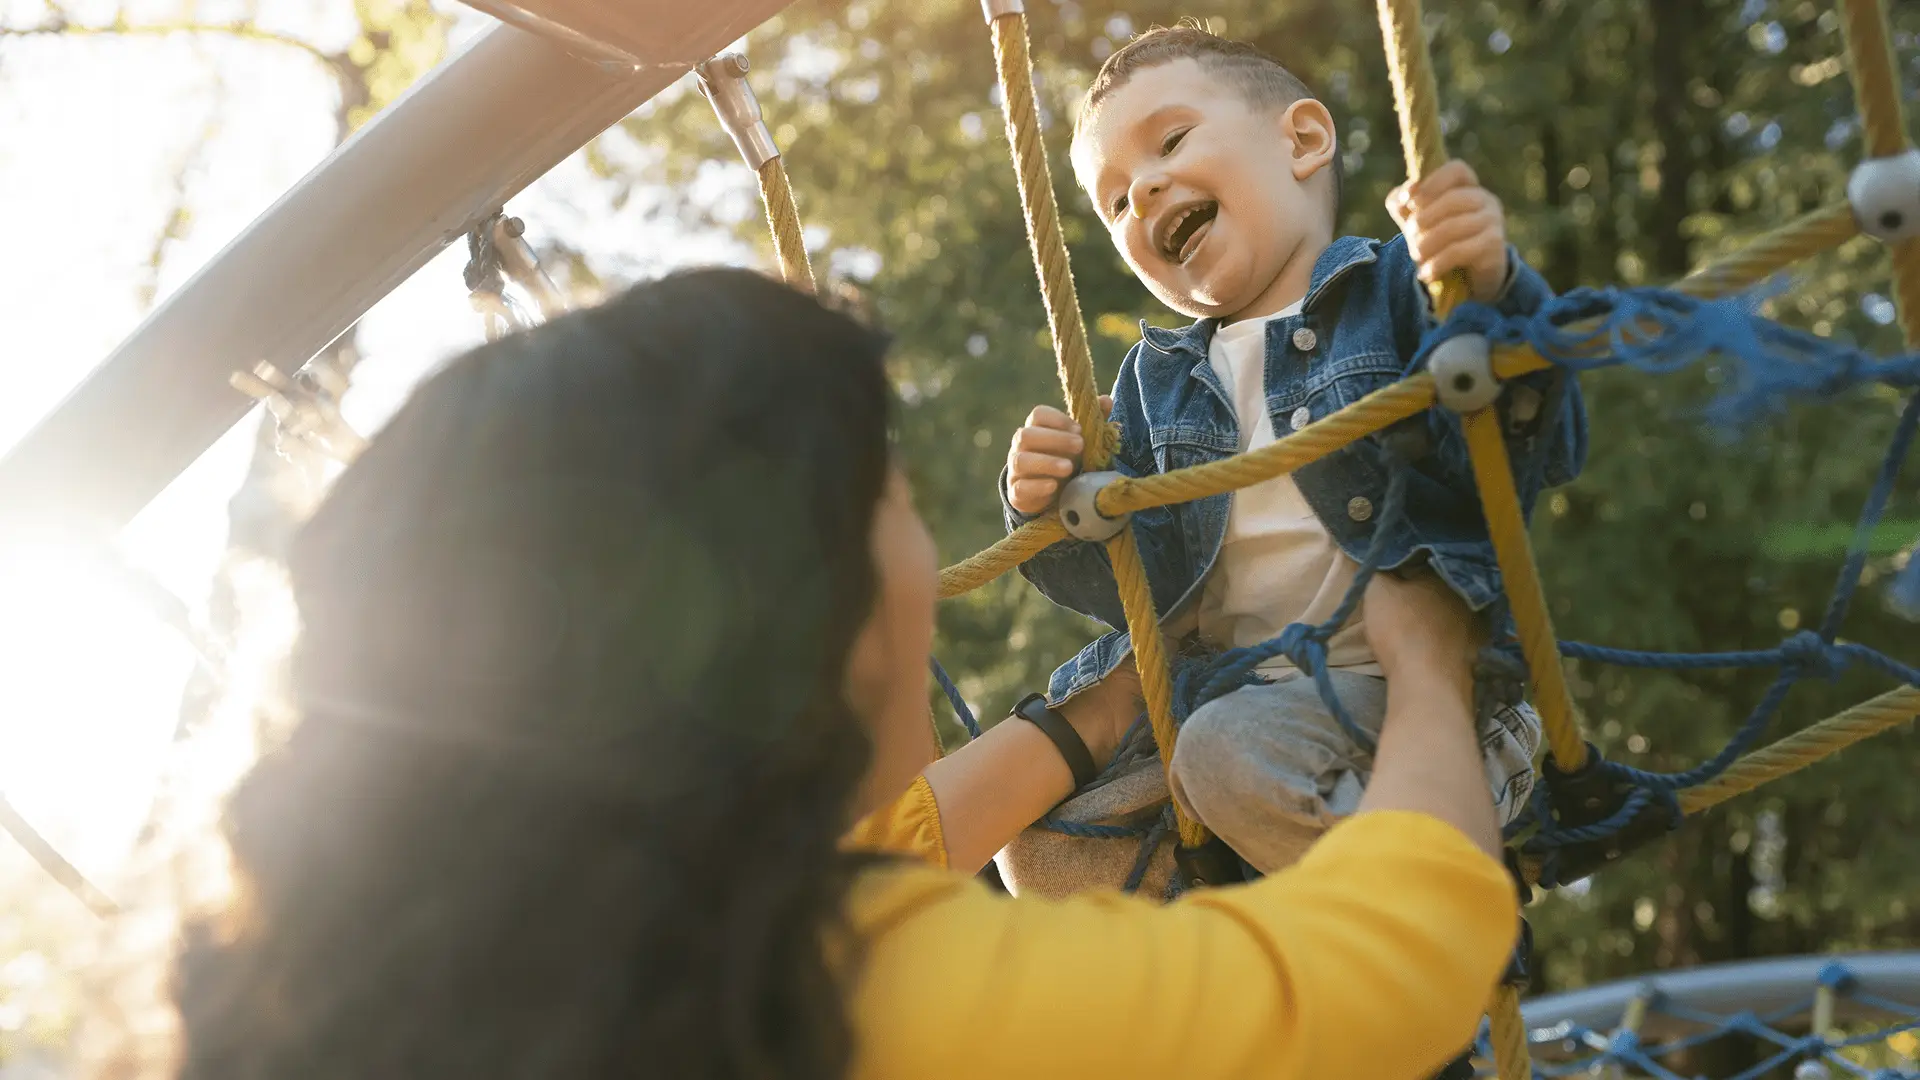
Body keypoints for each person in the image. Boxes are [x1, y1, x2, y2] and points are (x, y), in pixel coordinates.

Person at [168, 268, 1519, 1080]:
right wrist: (1428, 673)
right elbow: (1390, 967)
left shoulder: (407, 981)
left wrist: (1108, 701)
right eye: (899, 502)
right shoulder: (840, 993)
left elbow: (905, 838)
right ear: (818, 613)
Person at [999, 26, 1588, 884]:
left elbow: (1538, 446)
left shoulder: (1397, 290)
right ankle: (1298, 931)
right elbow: (1134, 589)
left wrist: (1495, 294)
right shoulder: (1153, 385)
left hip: (1413, 693)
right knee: (1037, 847)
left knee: (1224, 752)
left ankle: (1433, 906)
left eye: (1171, 141)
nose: (1146, 189)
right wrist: (1047, 502)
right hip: (1244, 708)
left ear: (1303, 140)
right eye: (1117, 202)